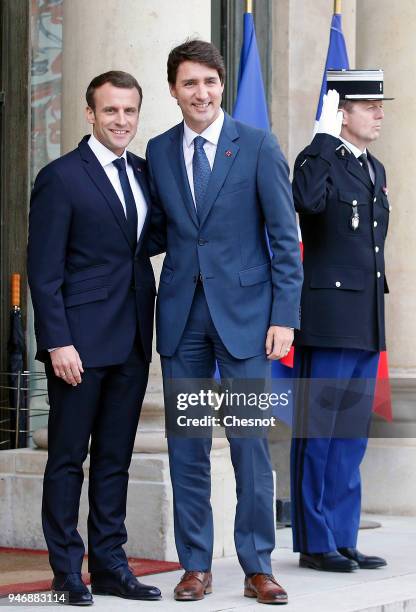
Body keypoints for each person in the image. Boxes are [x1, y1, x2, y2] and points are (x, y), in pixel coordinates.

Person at [146, 39, 303, 605]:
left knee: (249, 447)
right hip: (183, 321)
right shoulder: (160, 151)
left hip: (247, 322)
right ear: (173, 90)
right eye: (190, 83)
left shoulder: (257, 145)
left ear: (222, 86)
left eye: (210, 82)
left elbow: (285, 239)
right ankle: (195, 566)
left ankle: (258, 566)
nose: (202, 93)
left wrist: (285, 316)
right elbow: (159, 229)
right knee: (187, 448)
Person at [27, 71, 161, 605]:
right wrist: (58, 341)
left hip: (131, 338)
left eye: (129, 111)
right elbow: (44, 270)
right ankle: (66, 571)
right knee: (66, 459)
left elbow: (147, 241)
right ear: (90, 113)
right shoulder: (60, 177)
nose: (121, 121)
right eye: (111, 111)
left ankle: (110, 566)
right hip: (78, 345)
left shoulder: (146, 173)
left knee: (114, 460)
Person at [291, 70, 392, 572]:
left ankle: (343, 534)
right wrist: (323, 140)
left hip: (364, 318)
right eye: (367, 105)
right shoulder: (318, 160)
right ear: (342, 111)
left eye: (379, 105)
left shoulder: (375, 169)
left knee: (351, 437)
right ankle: (315, 540)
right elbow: (306, 203)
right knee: (320, 433)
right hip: (329, 319)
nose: (378, 113)